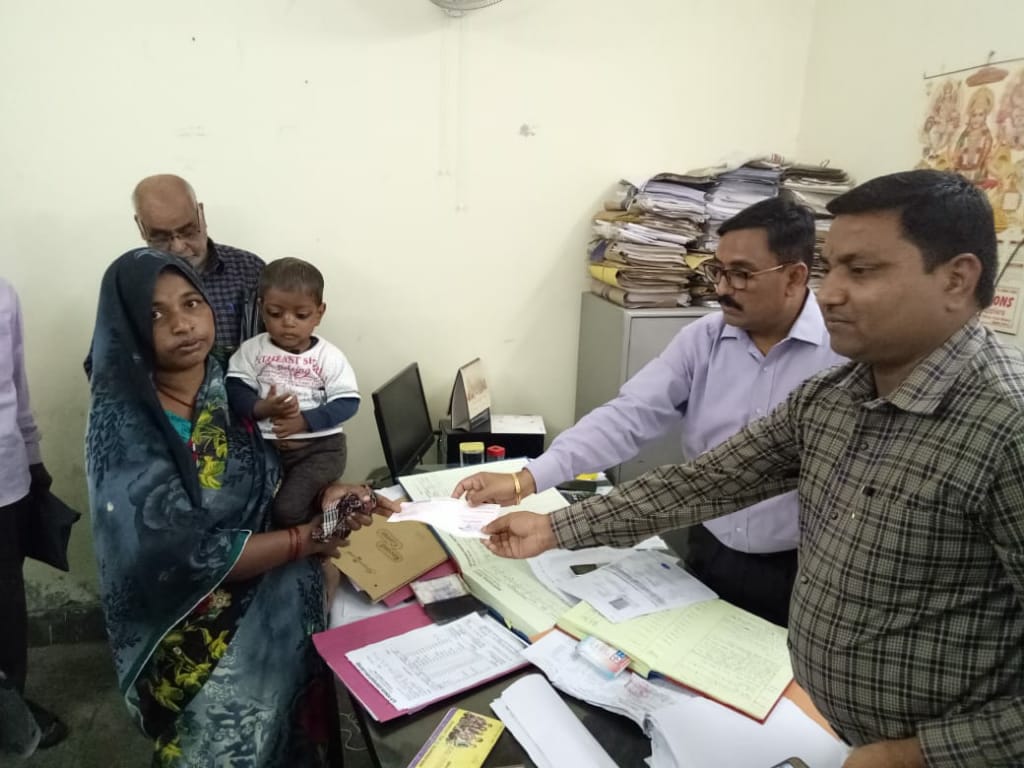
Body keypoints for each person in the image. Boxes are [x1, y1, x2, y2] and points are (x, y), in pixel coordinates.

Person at [479, 170, 1023, 766]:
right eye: (832, 268)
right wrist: (554, 526)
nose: (831, 293)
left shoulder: (1007, 428)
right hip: (838, 734)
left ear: (956, 279)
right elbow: (708, 481)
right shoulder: (833, 398)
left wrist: (917, 755)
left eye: (861, 271)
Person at [454, 197, 845, 626]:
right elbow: (629, 417)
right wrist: (525, 479)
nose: (721, 288)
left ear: (794, 277)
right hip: (709, 546)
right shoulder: (704, 339)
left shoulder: (841, 355)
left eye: (741, 274)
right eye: (717, 270)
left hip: (801, 567)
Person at [86, 249, 395, 766]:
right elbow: (177, 553)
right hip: (195, 630)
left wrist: (329, 496)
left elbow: (275, 473)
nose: (183, 324)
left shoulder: (231, 378)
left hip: (283, 593)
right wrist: (306, 539)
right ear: (127, 327)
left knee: (294, 738)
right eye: (157, 313)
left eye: (192, 303)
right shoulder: (125, 428)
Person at [226, 257, 360, 527]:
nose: (288, 323)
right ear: (261, 309)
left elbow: (347, 402)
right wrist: (260, 408)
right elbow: (235, 387)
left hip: (319, 451)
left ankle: (320, 536)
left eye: (301, 315)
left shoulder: (328, 356)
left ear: (319, 313)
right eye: (276, 313)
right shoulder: (252, 350)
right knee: (243, 504)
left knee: (287, 510)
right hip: (264, 448)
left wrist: (304, 421)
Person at [0, 277, 68, 751]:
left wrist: (32, 454)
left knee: (6, 605)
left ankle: (12, 709)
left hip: (4, 479)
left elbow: (16, 383)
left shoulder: (2, 294)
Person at [132, 173, 265, 356]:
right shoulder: (129, 283)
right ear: (141, 227)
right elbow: (107, 360)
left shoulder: (250, 270)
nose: (178, 247)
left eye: (188, 231)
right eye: (161, 237)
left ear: (201, 214)